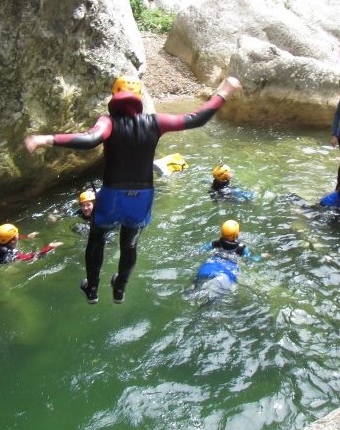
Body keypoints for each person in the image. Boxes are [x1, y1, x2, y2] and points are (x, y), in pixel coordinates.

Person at [25, 75, 241, 304]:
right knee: (129, 243)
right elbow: (196, 118)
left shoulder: (108, 122)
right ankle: (119, 289)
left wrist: (47, 138)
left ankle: (92, 289)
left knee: (97, 239)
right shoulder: (155, 122)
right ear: (138, 97)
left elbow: (90, 139)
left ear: (114, 96)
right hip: (142, 196)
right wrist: (225, 91)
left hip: (112, 194)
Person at [195, 220, 254, 291]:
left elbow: (200, 251)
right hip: (227, 272)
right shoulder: (242, 248)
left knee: (196, 286)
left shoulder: (215, 243)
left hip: (208, 267)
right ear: (236, 235)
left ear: (222, 233)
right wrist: (261, 257)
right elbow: (249, 261)